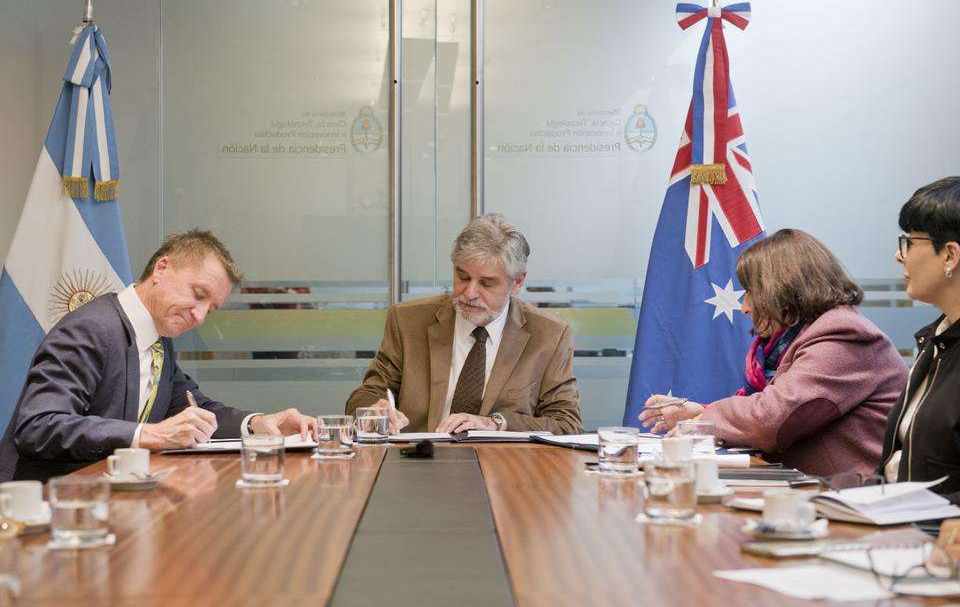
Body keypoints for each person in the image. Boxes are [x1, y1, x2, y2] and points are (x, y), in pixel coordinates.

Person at [0, 230, 316, 482]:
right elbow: (38, 426)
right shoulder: (91, 328)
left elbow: (196, 409)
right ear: (162, 269)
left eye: (211, 308)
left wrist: (257, 424)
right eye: (199, 295)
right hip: (46, 513)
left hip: (110, 505)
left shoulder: (158, 339)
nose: (200, 316)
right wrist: (150, 434)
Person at [639, 229, 907, 477]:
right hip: (809, 489)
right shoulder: (802, 336)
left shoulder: (843, 334)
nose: (745, 308)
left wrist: (703, 421)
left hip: (848, 501)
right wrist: (700, 411)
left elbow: (771, 418)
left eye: (752, 294)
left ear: (784, 292)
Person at [346, 214, 582, 435]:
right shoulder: (408, 321)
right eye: (463, 277)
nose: (469, 293)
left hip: (504, 469)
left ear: (518, 282)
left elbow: (566, 423)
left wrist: (495, 423)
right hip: (418, 463)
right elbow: (368, 393)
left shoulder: (549, 336)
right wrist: (372, 410)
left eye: (487, 283)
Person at [879, 177, 960, 500]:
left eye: (910, 242)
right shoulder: (936, 338)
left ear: (950, 256)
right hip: (899, 527)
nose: (900, 256)